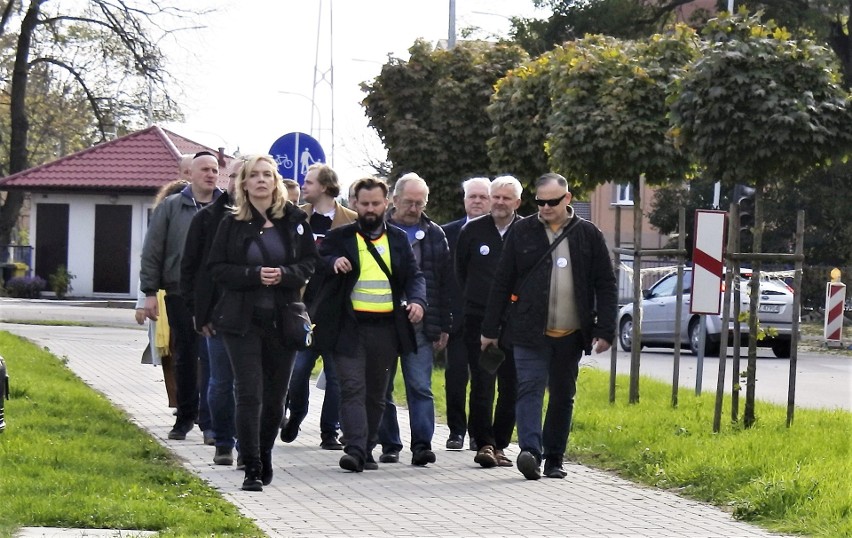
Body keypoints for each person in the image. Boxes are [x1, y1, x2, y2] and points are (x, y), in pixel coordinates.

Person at [481, 172, 617, 480]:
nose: (545, 208)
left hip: (570, 333)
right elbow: (502, 282)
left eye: (552, 202)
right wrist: (489, 330)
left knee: (562, 394)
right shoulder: (523, 232)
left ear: (567, 199)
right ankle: (531, 452)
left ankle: (555, 456)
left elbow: (605, 284)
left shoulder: (588, 234)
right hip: (529, 330)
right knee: (528, 389)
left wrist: (605, 330)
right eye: (540, 202)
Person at [207, 154, 317, 491]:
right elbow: (217, 269)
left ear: (276, 182)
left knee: (275, 397)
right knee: (249, 393)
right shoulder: (231, 222)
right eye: (254, 175)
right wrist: (253, 275)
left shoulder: (295, 221)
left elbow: (310, 263)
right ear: (244, 183)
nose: (260, 180)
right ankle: (251, 464)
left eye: (267, 175)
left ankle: (265, 452)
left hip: (283, 320)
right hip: (241, 320)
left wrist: (283, 275)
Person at [317, 176, 426, 472]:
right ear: (353, 203)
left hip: (387, 330)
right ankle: (353, 448)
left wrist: (418, 301)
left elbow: (414, 277)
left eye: (375, 203)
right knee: (352, 387)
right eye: (363, 203)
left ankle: (366, 447)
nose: (369, 209)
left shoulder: (399, 239)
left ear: (386, 203)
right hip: (349, 327)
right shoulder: (339, 237)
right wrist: (333, 262)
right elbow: (318, 259)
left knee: (377, 393)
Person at [141, 151, 223, 442]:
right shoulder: (171, 207)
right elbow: (153, 249)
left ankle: (211, 423)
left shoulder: (229, 207)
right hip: (179, 293)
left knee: (212, 357)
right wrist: (149, 292)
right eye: (204, 169)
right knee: (186, 357)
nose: (210, 174)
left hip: (217, 295)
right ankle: (185, 416)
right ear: (190, 173)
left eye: (215, 169)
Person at [280, 163, 356, 450]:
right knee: (298, 370)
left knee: (336, 375)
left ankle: (329, 432)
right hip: (303, 307)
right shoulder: (297, 218)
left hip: (338, 310)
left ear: (324, 186)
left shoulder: (351, 221)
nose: (304, 186)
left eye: (309, 182)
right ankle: (296, 414)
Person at [377, 172, 451, 466]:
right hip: (382, 320)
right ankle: (390, 443)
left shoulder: (435, 234)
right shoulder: (376, 230)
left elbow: (445, 284)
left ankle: (422, 444)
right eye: (408, 202)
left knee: (420, 385)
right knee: (383, 385)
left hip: (420, 322)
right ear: (394, 200)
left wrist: (444, 324)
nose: (414, 208)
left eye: (420, 203)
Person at [180, 157, 244, 467]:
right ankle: (223, 440)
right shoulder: (206, 219)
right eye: (233, 176)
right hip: (218, 315)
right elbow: (190, 270)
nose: (235, 183)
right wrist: (198, 312)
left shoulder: (277, 221)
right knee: (221, 382)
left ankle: (251, 445)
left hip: (261, 316)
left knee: (253, 384)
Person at [456, 175, 523, 469]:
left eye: (506, 198)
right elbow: (460, 273)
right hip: (479, 320)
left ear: (517, 203)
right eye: (495, 196)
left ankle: (501, 443)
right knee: (483, 382)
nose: (498, 202)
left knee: (512, 385)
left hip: (516, 321)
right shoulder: (473, 231)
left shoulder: (527, 232)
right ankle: (484, 443)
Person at [440, 176, 491, 451]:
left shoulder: (498, 234)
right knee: (455, 376)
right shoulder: (447, 233)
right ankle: (456, 430)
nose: (477, 201)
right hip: (456, 320)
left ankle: (478, 433)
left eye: (483, 197)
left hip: (486, 322)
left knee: (484, 379)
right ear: (464, 200)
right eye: (472, 196)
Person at [134, 177, 189, 411]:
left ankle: (190, 402)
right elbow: (149, 263)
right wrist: (141, 302)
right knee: (168, 350)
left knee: (187, 351)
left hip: (187, 295)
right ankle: (176, 402)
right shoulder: (161, 227)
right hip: (163, 297)